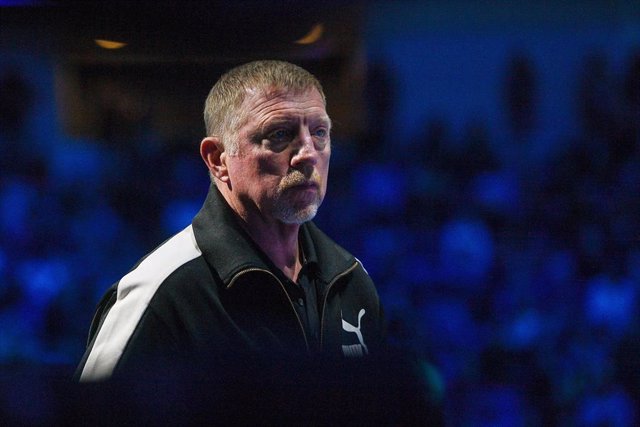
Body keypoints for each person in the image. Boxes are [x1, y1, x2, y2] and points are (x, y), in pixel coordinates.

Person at [75, 60, 385, 382]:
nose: (308, 153)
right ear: (217, 159)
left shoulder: (351, 281)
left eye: (320, 132)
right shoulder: (163, 293)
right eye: (279, 134)